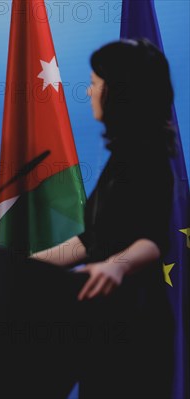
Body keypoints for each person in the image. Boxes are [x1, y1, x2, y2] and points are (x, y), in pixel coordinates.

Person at [32, 39, 176, 398]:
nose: (89, 90)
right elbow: (90, 241)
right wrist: (25, 266)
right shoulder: (120, 159)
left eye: (96, 82)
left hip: (137, 329)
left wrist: (117, 265)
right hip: (101, 324)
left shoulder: (149, 157)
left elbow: (153, 239)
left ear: (119, 92)